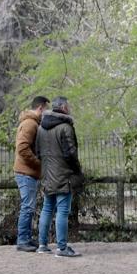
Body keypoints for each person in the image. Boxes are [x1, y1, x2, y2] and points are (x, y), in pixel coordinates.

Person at [34, 96, 84, 257]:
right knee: (62, 211)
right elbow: (71, 153)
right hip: (63, 175)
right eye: (67, 106)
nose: (69, 108)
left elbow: (38, 152)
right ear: (62, 107)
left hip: (47, 175)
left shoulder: (41, 128)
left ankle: (42, 245)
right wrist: (77, 170)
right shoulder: (65, 127)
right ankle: (62, 248)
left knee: (47, 208)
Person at [13, 96, 50, 251]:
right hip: (26, 172)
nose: (47, 112)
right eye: (46, 109)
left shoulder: (31, 122)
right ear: (40, 108)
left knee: (29, 206)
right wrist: (38, 163)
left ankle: (26, 238)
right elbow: (22, 148)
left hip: (27, 172)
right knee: (27, 207)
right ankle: (22, 241)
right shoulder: (30, 123)